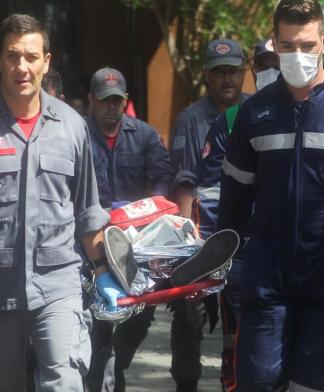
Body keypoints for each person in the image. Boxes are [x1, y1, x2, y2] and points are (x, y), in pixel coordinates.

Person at [218, 1, 324, 391]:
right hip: (266, 278)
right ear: (275, 45)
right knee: (258, 384)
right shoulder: (254, 113)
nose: (299, 55)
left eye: (308, 45)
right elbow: (233, 204)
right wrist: (225, 268)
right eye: (289, 45)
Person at [0, 13, 117, 392]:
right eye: (12, 55)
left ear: (46, 61)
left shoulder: (71, 125)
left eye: (31, 56)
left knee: (64, 382)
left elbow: (87, 211)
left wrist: (103, 273)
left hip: (58, 288)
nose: (22, 66)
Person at [191, 39, 279, 391]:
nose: (275, 68)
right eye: (267, 62)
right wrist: (215, 257)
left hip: (302, 255)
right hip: (245, 255)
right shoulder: (232, 119)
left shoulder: (320, 112)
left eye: (281, 59)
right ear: (254, 71)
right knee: (242, 346)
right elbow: (211, 194)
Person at [84, 66, 173, 392]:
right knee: (97, 321)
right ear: (91, 100)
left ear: (126, 102)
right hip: (89, 244)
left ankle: (116, 365)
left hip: (136, 244)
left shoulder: (146, 136)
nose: (111, 109)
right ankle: (101, 374)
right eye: (105, 101)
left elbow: (164, 179)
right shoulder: (77, 135)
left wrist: (145, 211)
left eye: (117, 102)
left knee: (141, 316)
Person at [170, 38, 248, 392]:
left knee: (243, 318)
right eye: (219, 73)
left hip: (245, 237)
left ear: (244, 71)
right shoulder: (190, 118)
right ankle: (187, 383)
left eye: (232, 70)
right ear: (207, 76)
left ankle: (235, 382)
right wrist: (188, 246)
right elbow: (184, 180)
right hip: (201, 237)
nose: (226, 79)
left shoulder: (258, 112)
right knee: (188, 318)